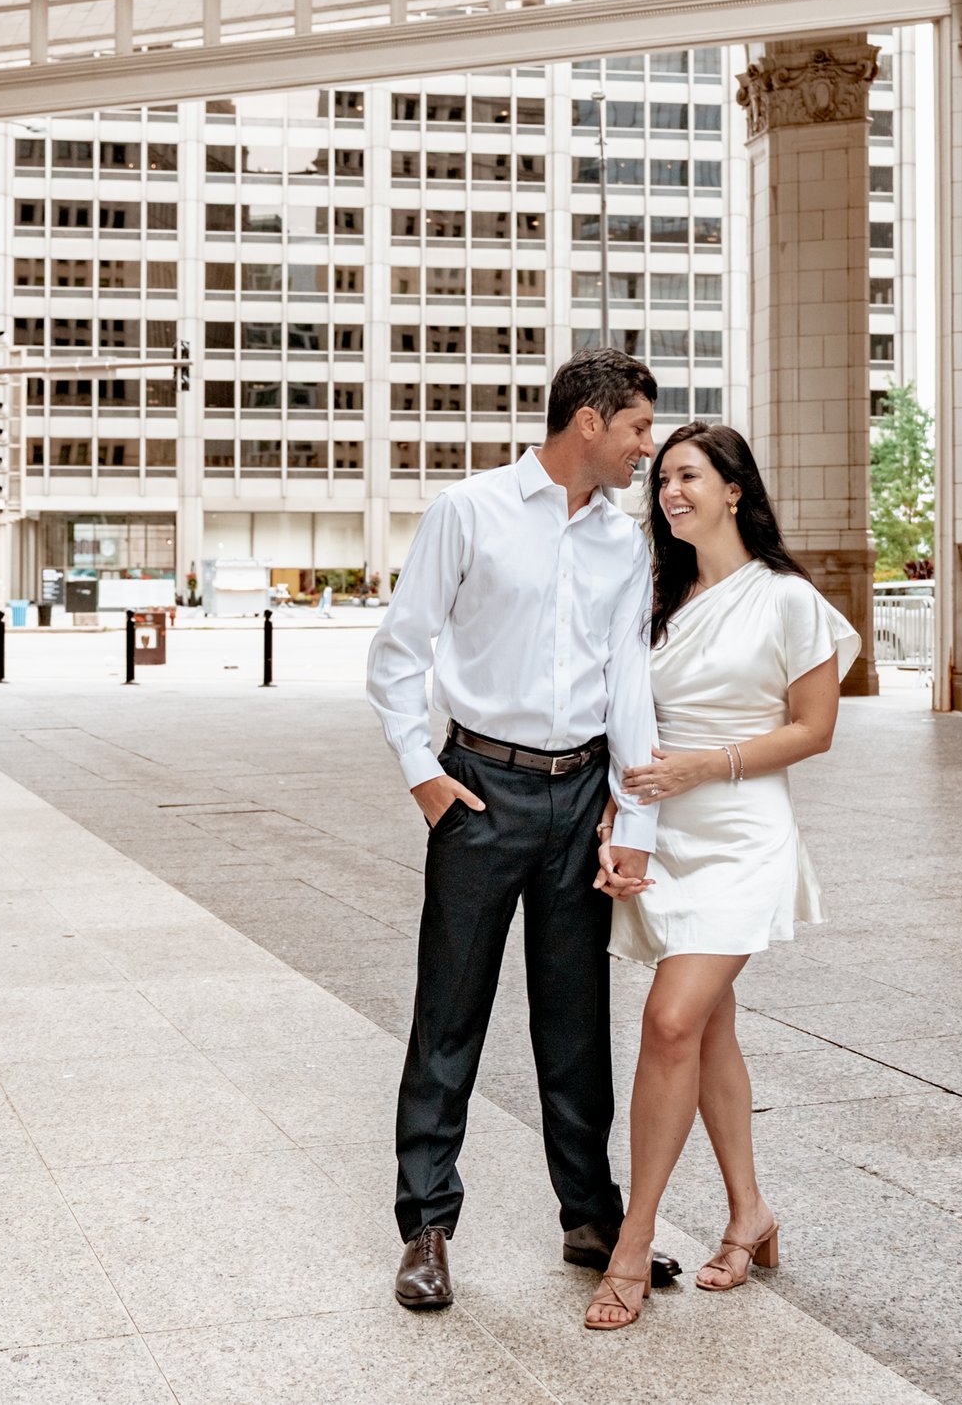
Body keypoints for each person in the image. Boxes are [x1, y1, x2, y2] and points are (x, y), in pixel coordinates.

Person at [365, 348, 683, 1312]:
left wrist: (636, 819)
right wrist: (424, 773)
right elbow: (397, 654)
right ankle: (426, 1226)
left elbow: (628, 687)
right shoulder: (469, 512)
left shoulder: (625, 545)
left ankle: (591, 1220)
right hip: (479, 789)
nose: (646, 447)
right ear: (587, 420)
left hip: (583, 793)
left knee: (577, 1020)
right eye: (637, 426)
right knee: (448, 1012)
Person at [582, 422, 857, 1331]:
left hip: (741, 831)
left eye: (689, 475)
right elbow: (634, 728)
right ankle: (751, 1214)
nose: (669, 490)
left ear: (735, 487)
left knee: (669, 1020)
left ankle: (632, 1240)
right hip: (666, 833)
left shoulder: (786, 598)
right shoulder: (659, 594)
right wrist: (624, 822)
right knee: (705, 1030)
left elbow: (813, 728)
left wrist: (707, 766)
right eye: (662, 478)